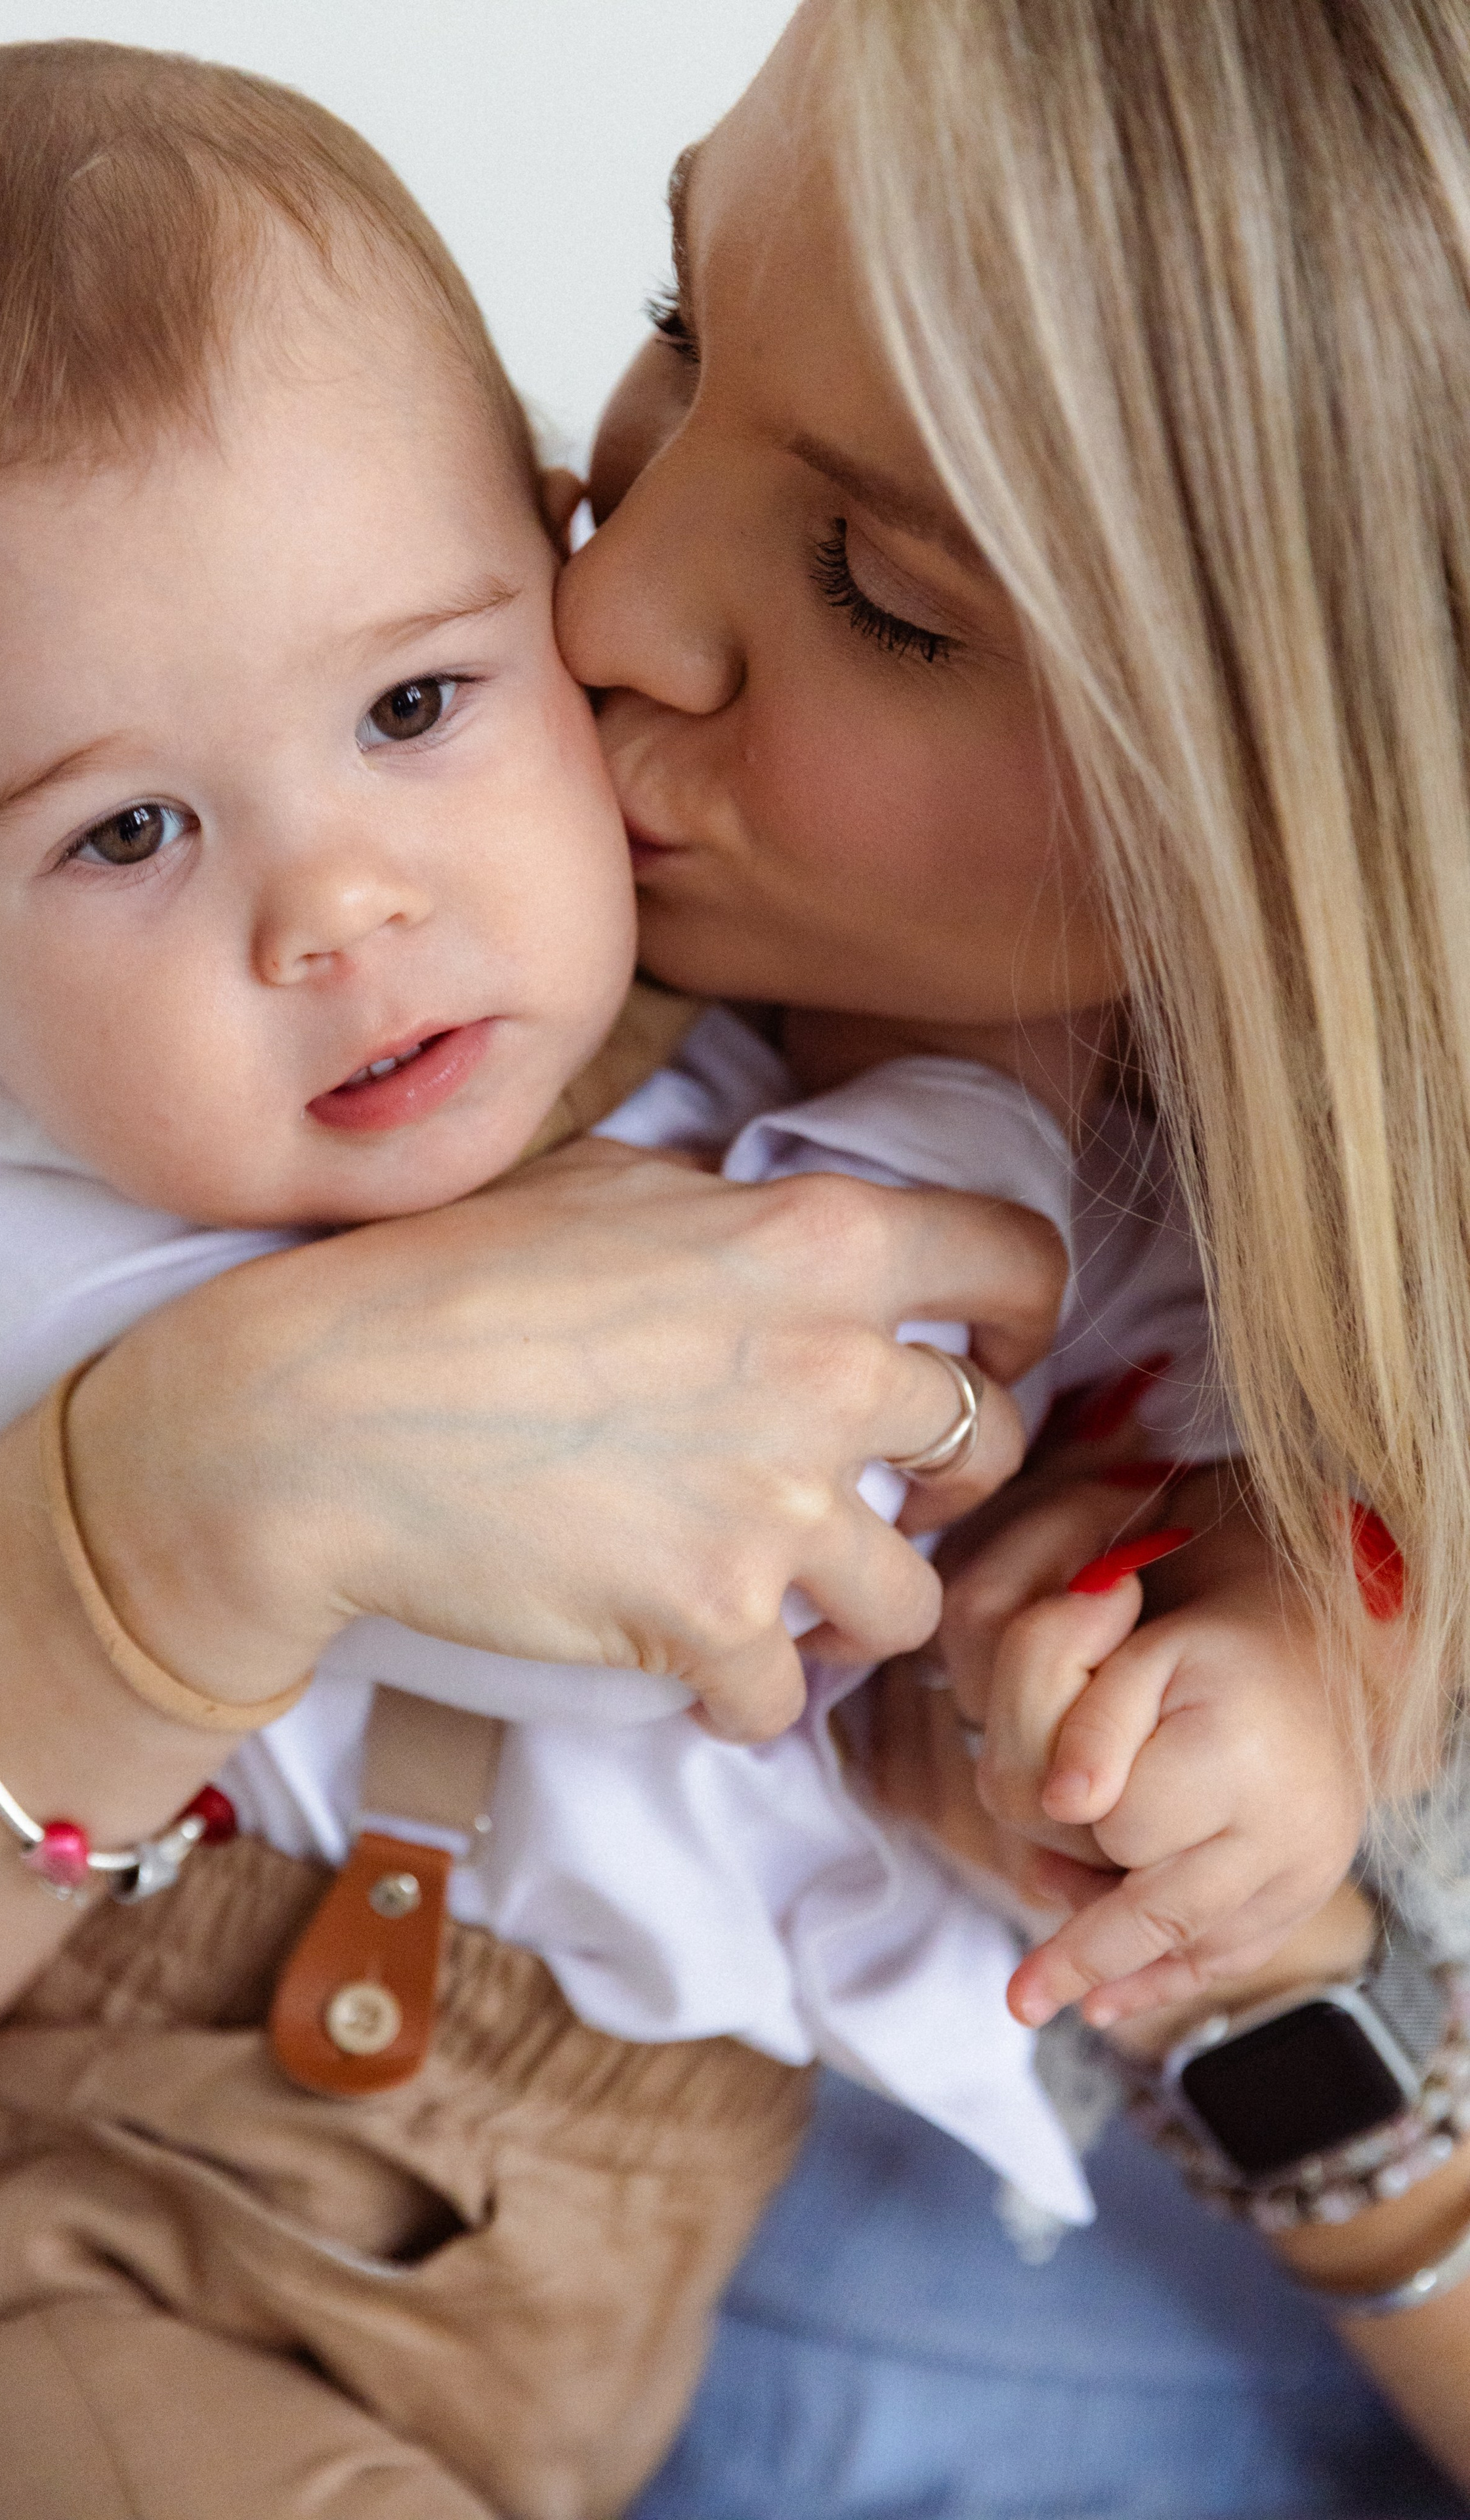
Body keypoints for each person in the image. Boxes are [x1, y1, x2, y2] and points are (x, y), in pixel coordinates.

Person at [0, 38, 1376, 2514]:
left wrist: (1251, 1681)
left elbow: (1027, 1360)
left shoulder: (837, 1064)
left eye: (421, 700)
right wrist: (186, 1496)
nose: (341, 902)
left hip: (593, 2263)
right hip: (119, 2198)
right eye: (672, 313)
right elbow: (688, 1476)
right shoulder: (102, 1204)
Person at [543, 0, 1470, 2505]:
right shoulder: (401, 883)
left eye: (881, 589)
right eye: (672, 321)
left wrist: (1264, 1976)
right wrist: (157, 1508)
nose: (604, 587)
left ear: (1319, 788)